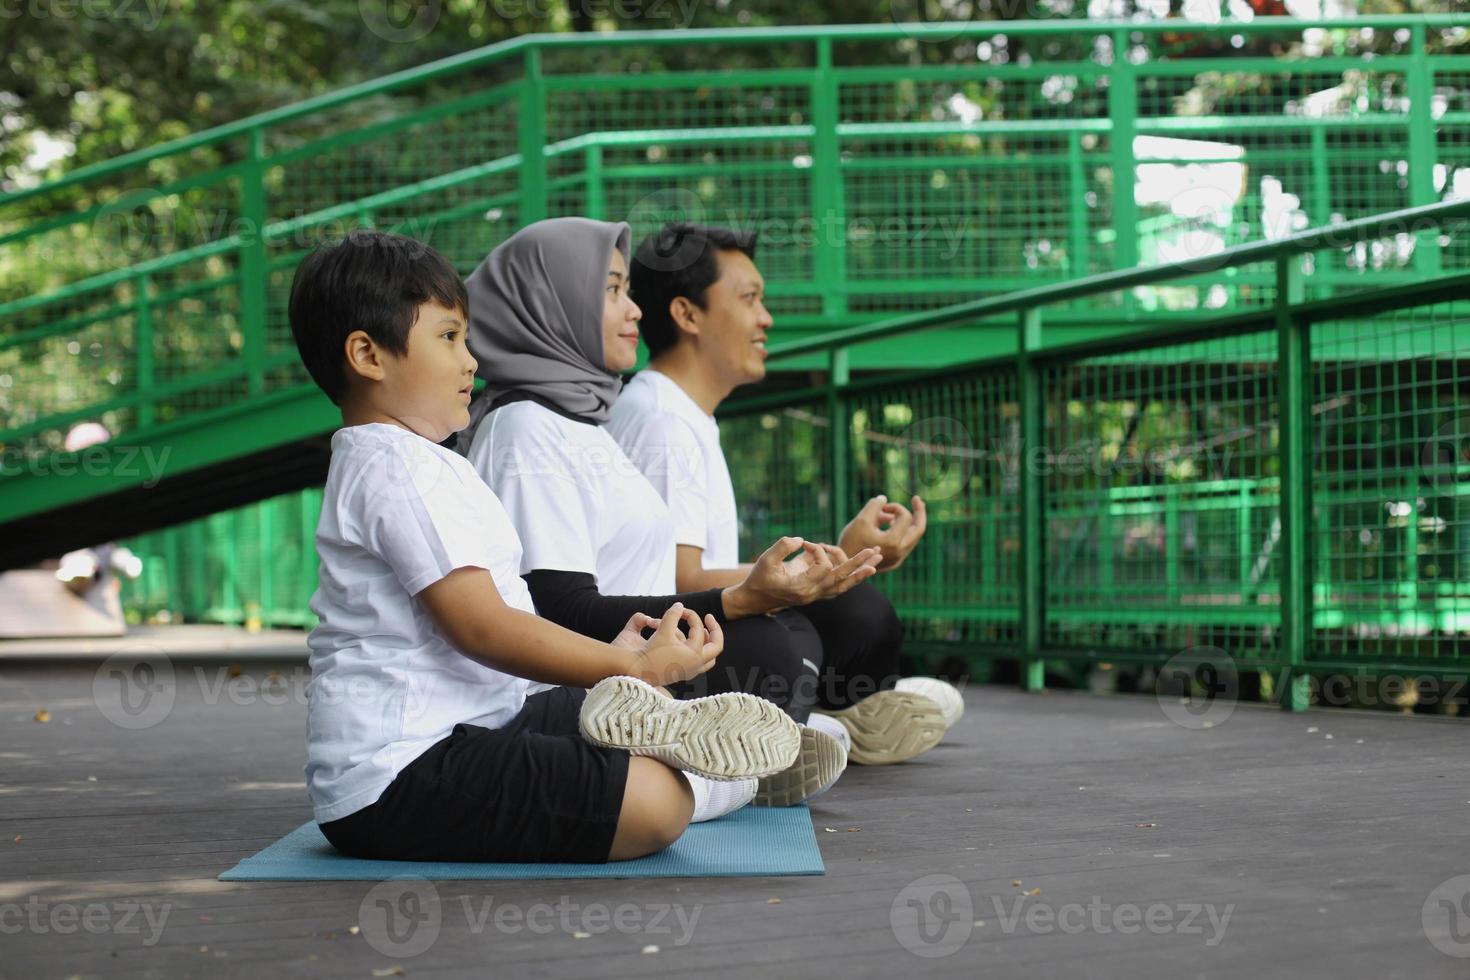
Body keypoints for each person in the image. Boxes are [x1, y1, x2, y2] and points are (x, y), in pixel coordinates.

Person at [288, 228, 803, 864]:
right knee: (654, 806)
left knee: (634, 707)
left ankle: (711, 754)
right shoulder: (393, 468)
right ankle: (717, 778)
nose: (471, 360)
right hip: (400, 772)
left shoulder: (423, 460)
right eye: (448, 337)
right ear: (368, 354)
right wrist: (626, 667)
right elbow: (482, 626)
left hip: (486, 719)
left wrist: (615, 659)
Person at [458, 216, 864, 806]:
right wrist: (736, 600)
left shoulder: (585, 424)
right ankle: (723, 777)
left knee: (792, 635)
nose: (634, 311)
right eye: (611, 291)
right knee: (771, 648)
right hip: (590, 687)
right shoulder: (525, 429)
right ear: (554, 303)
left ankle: (740, 750)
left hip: (644, 669)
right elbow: (556, 607)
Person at [610, 222, 965, 765]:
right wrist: (830, 570)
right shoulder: (662, 423)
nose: (766, 318)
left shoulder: (684, 414)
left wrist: (841, 563)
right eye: (750, 299)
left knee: (855, 609)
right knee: (802, 632)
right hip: (657, 638)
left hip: (691, 621)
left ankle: (833, 720)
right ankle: (803, 727)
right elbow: (679, 583)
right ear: (688, 315)